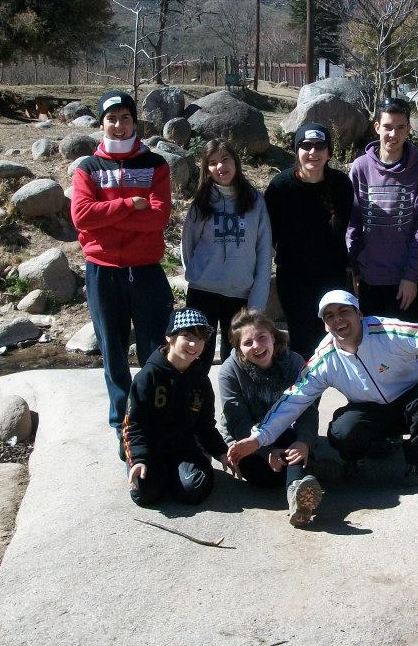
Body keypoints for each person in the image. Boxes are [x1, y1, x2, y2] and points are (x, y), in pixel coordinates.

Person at [227, 290, 418, 486]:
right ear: (324, 324)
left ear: (359, 313)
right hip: (371, 411)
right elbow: (293, 400)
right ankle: (362, 455)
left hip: (411, 401)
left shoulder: (389, 331)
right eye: (330, 316)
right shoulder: (324, 358)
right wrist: (258, 439)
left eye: (344, 311)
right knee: (342, 431)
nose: (338, 320)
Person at [71, 90, 174, 457]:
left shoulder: (155, 164)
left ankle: (152, 416)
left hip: (146, 270)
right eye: (111, 118)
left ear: (134, 122)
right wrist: (130, 204)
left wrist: (108, 215)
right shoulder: (88, 168)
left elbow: (158, 218)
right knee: (113, 351)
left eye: (125, 118)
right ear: (102, 124)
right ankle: (122, 422)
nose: (119, 125)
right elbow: (82, 217)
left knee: (154, 349)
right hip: (103, 271)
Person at [218, 309, 323, 527]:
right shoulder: (229, 371)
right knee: (258, 474)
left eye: (262, 337)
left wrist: (304, 442)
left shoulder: (294, 362)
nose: (257, 346)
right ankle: (309, 470)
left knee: (294, 446)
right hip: (247, 437)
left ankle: (296, 495)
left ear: (273, 337)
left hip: (283, 431)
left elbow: (307, 408)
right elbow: (237, 421)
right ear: (238, 348)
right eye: (248, 343)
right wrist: (265, 450)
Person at [123, 308, 235, 507]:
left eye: (200, 339)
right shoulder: (147, 377)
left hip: (183, 447)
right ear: (169, 337)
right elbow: (132, 425)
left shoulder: (200, 380)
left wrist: (221, 452)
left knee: (193, 490)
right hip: (150, 448)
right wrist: (138, 459)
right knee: (144, 494)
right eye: (187, 336)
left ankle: (185, 470)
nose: (194, 344)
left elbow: (205, 425)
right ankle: (160, 473)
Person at [264, 122, 354, 359]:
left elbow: (348, 229)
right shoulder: (280, 187)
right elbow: (268, 235)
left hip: (332, 277)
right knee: (302, 343)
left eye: (320, 146)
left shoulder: (341, 184)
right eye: (306, 145)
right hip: (294, 279)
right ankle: (303, 385)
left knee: (331, 342)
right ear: (296, 151)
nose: (313, 152)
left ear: (329, 152)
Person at [181, 139, 272, 369]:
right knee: (197, 359)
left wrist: (257, 303)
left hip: (240, 295)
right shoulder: (201, 202)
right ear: (206, 169)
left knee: (238, 360)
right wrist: (199, 274)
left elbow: (263, 254)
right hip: (203, 293)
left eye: (225, 159)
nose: (220, 167)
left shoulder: (255, 201)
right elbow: (188, 245)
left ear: (235, 161)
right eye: (212, 163)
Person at [347, 97, 418, 323]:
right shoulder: (360, 167)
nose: (393, 134)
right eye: (388, 127)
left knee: (407, 345)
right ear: (377, 127)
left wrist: (411, 277)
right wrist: (354, 270)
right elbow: (352, 223)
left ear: (408, 129)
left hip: (407, 282)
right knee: (370, 343)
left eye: (400, 128)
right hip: (369, 280)